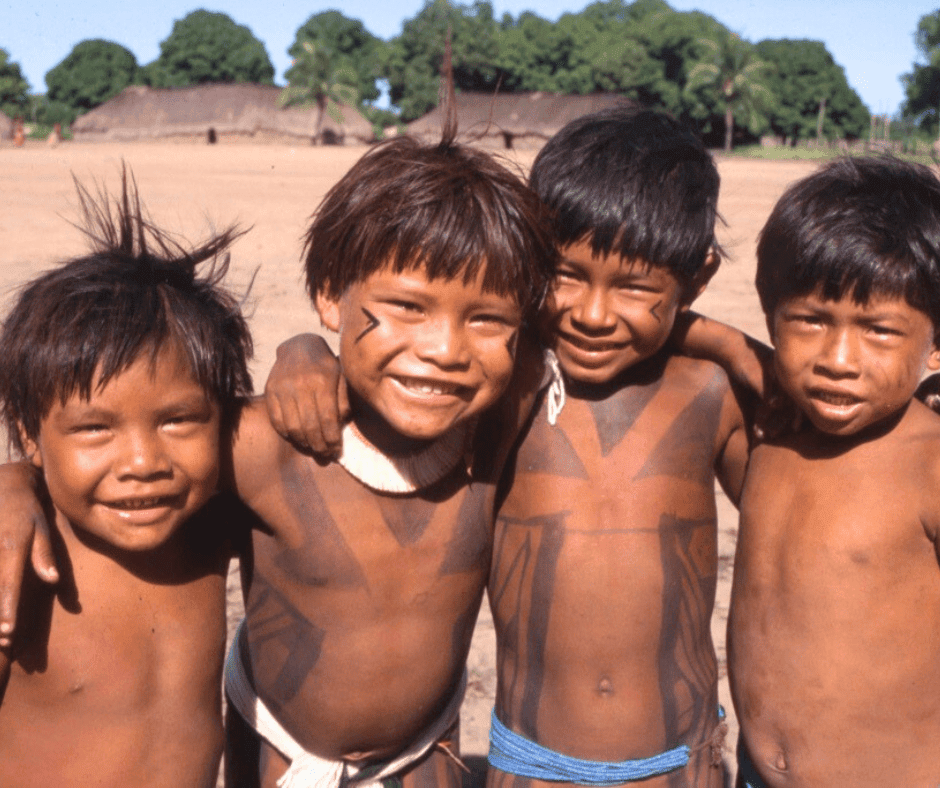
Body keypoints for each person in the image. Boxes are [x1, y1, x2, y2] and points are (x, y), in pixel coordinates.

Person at [264, 107, 753, 787]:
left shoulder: (712, 394)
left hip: (679, 766)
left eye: (635, 287)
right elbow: (392, 356)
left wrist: (727, 342)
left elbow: (793, 519)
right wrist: (303, 351)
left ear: (695, 279)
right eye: (565, 276)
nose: (592, 314)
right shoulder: (504, 385)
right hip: (528, 768)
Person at [221, 133, 557, 788]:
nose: (445, 349)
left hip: (423, 753)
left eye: (487, 320)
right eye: (407, 307)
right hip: (276, 746)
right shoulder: (263, 443)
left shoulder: (499, 429)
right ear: (328, 297)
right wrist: (16, 488)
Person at [0, 171, 254, 787]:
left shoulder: (212, 521)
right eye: (94, 429)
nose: (143, 463)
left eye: (179, 420)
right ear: (31, 435)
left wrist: (304, 350)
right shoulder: (20, 567)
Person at [727, 156, 940, 787]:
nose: (838, 360)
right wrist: (727, 347)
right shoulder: (770, 432)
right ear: (770, 321)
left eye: (879, 330)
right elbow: (680, 332)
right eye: (811, 321)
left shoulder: (930, 461)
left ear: (935, 345)